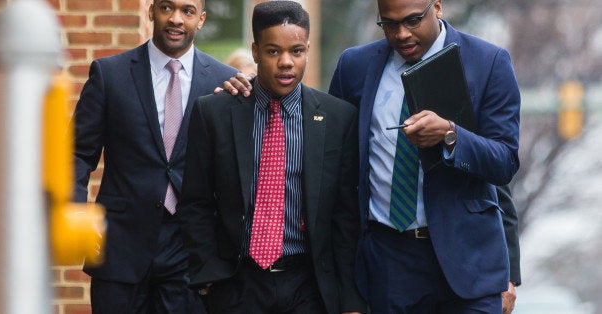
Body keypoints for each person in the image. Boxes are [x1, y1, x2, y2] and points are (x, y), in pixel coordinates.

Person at [222, 0, 521, 312]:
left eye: (414, 20)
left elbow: (504, 162)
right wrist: (255, 89)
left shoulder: (488, 62)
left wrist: (451, 135)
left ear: (438, 7)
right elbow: (322, 143)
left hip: (466, 265)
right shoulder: (355, 66)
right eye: (390, 24)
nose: (402, 33)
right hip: (386, 263)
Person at [178, 1, 366, 313]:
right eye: (273, 51)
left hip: (308, 284)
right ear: (255, 51)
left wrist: (349, 299)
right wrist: (208, 275)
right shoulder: (214, 112)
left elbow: (345, 217)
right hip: (237, 283)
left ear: (307, 48)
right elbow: (195, 202)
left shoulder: (338, 118)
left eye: (296, 51)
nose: (286, 62)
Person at [72, 0, 237, 312]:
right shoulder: (110, 75)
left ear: (200, 20)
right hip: (120, 246)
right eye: (166, 8)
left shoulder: (223, 81)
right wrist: (77, 210)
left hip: (190, 251)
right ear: (150, 11)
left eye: (187, 11)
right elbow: (77, 153)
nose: (175, 19)